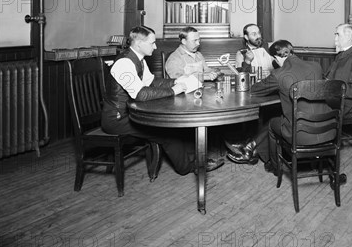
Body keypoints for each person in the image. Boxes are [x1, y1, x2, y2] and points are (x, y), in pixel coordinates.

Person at [101, 26, 213, 175]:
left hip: (130, 113)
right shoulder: (124, 62)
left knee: (171, 127)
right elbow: (140, 94)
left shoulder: (139, 60)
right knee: (167, 132)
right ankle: (187, 167)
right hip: (117, 119)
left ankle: (189, 160)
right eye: (152, 43)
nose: (155, 46)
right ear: (139, 43)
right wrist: (173, 90)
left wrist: (176, 81)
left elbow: (152, 82)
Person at [226, 40, 324, 173]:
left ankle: (274, 165)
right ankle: (251, 147)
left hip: (301, 133)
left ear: (276, 58)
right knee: (278, 114)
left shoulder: (278, 75)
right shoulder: (316, 66)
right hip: (326, 128)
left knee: (272, 122)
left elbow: (254, 90)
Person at [165, 26, 225, 171]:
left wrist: (214, 72)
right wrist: (204, 76)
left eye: (199, 39)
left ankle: (212, 151)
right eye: (195, 40)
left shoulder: (198, 55)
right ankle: (198, 157)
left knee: (220, 106)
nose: (198, 43)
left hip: (199, 96)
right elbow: (176, 79)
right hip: (183, 101)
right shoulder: (175, 58)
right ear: (183, 41)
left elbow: (207, 70)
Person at [324, 23, 352, 120]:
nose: (335, 38)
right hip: (332, 99)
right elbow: (328, 77)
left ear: (349, 37)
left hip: (342, 104)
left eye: (337, 34)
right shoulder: (341, 54)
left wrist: (328, 87)